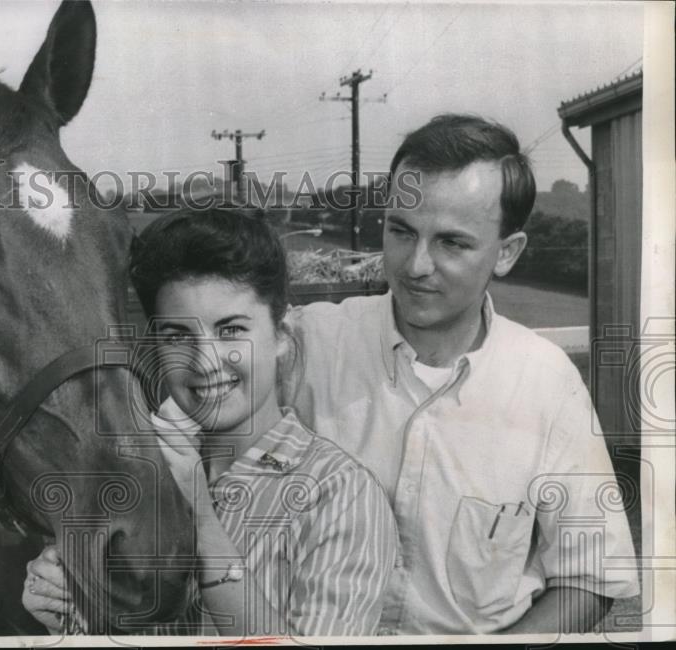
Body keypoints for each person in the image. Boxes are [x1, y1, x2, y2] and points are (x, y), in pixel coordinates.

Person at [274, 114, 639, 634]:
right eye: (400, 231)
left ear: (507, 253)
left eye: (452, 243)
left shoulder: (547, 382)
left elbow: (592, 578)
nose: (415, 264)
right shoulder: (307, 344)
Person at [22, 208, 398, 636]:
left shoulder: (340, 494)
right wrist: (69, 614)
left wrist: (202, 521)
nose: (204, 362)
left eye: (231, 330)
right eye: (178, 336)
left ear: (281, 335)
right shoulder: (137, 478)